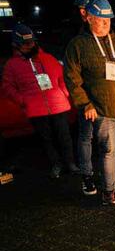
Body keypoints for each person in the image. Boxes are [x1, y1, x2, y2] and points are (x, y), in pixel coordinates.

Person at [64, 0, 115, 206]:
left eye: (108, 19)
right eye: (101, 19)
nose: (106, 23)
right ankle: (108, 190)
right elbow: (72, 79)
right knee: (108, 151)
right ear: (89, 18)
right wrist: (85, 104)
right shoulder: (78, 46)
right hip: (102, 109)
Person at [2, 25, 77, 179]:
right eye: (26, 43)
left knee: (65, 137)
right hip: (36, 109)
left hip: (58, 105)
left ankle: (71, 164)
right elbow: (7, 86)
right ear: (16, 45)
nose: (30, 45)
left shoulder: (47, 58)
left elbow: (62, 75)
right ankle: (56, 164)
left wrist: (64, 91)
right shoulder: (12, 65)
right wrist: (22, 100)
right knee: (46, 139)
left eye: (32, 42)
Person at [72, 0, 99, 194]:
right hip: (87, 97)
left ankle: (107, 172)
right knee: (86, 136)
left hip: (103, 96)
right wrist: (84, 101)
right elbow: (72, 75)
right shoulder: (76, 37)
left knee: (106, 137)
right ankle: (87, 175)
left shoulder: (104, 31)